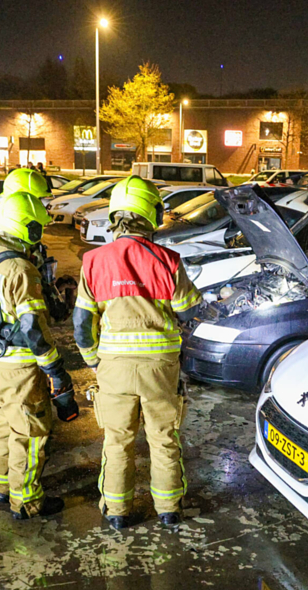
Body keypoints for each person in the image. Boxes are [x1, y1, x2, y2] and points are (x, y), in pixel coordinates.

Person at [72, 176, 201, 530]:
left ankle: (117, 513)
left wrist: (92, 359)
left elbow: (82, 323)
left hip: (114, 369)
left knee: (117, 442)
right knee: (163, 439)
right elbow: (188, 310)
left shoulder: (93, 261)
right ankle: (169, 509)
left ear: (115, 215)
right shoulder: (168, 260)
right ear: (152, 214)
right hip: (160, 369)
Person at [0, 191, 79, 520]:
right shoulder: (20, 268)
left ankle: (2, 485)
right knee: (30, 433)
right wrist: (56, 370)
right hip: (20, 366)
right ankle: (26, 501)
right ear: (26, 226)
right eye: (38, 226)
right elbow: (32, 327)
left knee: (4, 426)